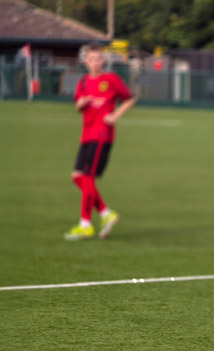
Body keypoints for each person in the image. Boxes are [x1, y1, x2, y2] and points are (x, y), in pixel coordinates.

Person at [64, 43, 135, 240]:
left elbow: (129, 98)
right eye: (91, 59)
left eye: (98, 59)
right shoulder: (84, 82)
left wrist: (115, 116)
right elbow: (78, 104)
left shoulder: (111, 79)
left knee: (86, 177)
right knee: (77, 177)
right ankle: (105, 213)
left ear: (103, 61)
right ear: (85, 61)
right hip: (86, 135)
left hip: (102, 135)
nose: (95, 63)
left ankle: (85, 224)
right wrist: (82, 103)